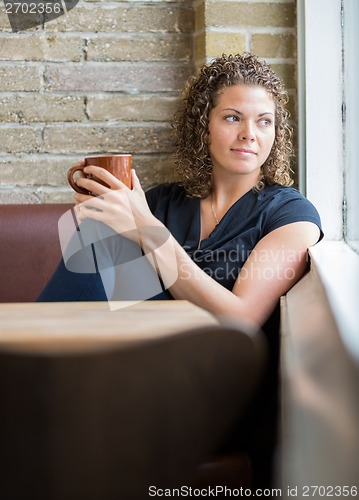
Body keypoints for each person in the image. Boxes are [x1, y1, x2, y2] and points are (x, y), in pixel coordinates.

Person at [38, 53, 323, 487]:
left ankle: (28, 392)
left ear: (276, 133)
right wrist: (100, 219)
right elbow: (109, 297)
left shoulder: (291, 215)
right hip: (134, 373)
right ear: (203, 125)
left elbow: (241, 318)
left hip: (216, 392)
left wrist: (145, 228)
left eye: (264, 122)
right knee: (97, 238)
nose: (250, 134)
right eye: (232, 117)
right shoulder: (166, 201)